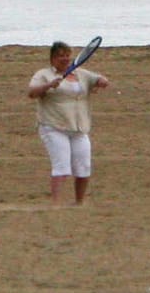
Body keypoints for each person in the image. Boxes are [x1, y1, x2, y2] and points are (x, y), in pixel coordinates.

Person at [27, 40, 112, 205]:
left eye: (67, 56)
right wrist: (49, 85)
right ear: (52, 59)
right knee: (62, 167)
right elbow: (31, 93)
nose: (65, 59)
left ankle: (79, 202)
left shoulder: (81, 74)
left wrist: (102, 82)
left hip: (79, 127)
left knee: (84, 167)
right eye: (60, 56)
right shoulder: (44, 74)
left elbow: (100, 80)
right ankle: (56, 203)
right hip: (54, 126)